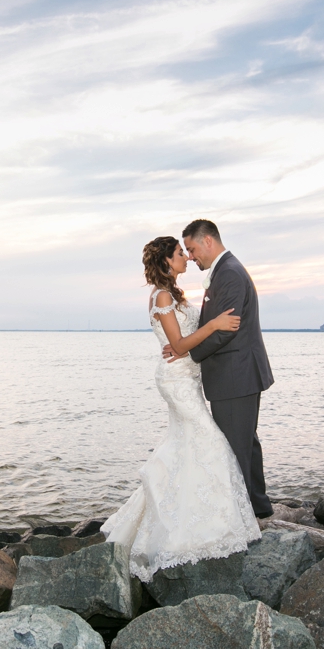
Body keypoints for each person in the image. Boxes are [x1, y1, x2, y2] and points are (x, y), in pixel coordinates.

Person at [100, 236, 261, 582]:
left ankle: (189, 513)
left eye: (186, 252)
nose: (186, 258)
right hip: (177, 382)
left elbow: (182, 343)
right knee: (211, 444)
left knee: (187, 447)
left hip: (187, 378)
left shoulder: (173, 294)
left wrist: (196, 339)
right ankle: (205, 525)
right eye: (179, 254)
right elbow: (178, 344)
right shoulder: (161, 295)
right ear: (165, 261)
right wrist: (214, 325)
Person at [168, 219, 274, 518]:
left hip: (234, 374)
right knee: (246, 443)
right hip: (239, 373)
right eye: (185, 251)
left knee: (235, 450)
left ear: (208, 242)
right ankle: (258, 508)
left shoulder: (228, 273)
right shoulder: (227, 270)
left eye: (191, 249)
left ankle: (240, 519)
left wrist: (186, 351)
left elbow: (225, 330)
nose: (190, 256)